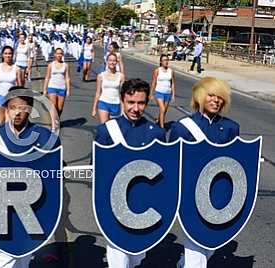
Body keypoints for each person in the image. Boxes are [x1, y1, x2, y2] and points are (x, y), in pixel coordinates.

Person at [0, 86, 61, 268]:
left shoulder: (46, 139)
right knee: (2, 261)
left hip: (31, 212)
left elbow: (53, 183)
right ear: (6, 108)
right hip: (1, 213)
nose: (18, 113)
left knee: (22, 260)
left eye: (23, 108)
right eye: (13, 108)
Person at [95, 78, 165, 268]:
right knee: (118, 259)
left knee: (136, 256)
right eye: (131, 102)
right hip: (114, 205)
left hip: (143, 205)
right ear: (122, 100)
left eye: (141, 103)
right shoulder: (106, 131)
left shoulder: (156, 133)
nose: (136, 108)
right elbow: (97, 173)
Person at [170, 77, 238, 268]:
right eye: (211, 95)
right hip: (190, 195)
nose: (216, 100)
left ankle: (184, 263)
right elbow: (171, 163)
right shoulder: (182, 127)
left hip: (218, 195)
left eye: (220, 97)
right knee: (195, 244)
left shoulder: (231, 128)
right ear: (200, 97)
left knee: (210, 244)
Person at [0, 46, 20, 124]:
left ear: (13, 55)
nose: (8, 55)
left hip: (11, 98)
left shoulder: (17, 69)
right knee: (0, 122)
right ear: (2, 55)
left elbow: (20, 87)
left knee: (9, 122)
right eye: (5, 53)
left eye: (10, 53)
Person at [92, 53, 125, 123]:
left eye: (114, 61)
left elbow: (122, 94)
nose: (112, 62)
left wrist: (123, 109)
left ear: (116, 62)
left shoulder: (121, 76)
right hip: (104, 103)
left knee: (113, 128)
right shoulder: (101, 76)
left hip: (116, 103)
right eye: (110, 60)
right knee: (105, 126)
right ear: (107, 61)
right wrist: (94, 108)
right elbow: (98, 93)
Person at [43, 48, 71, 128]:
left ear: (62, 55)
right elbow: (47, 77)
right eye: (58, 53)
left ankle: (57, 119)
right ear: (55, 54)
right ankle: (53, 123)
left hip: (62, 88)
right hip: (52, 87)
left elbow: (67, 78)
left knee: (60, 107)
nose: (59, 55)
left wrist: (68, 89)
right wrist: (45, 89)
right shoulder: (51, 65)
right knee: (53, 106)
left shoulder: (65, 65)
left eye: (61, 53)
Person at [150, 54, 176, 128]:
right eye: (164, 60)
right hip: (159, 93)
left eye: (167, 60)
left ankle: (158, 120)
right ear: (161, 62)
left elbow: (173, 83)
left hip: (167, 93)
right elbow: (153, 82)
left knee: (164, 111)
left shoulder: (171, 71)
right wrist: (151, 94)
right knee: (162, 109)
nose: (166, 62)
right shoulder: (157, 71)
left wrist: (173, 95)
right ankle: (162, 127)